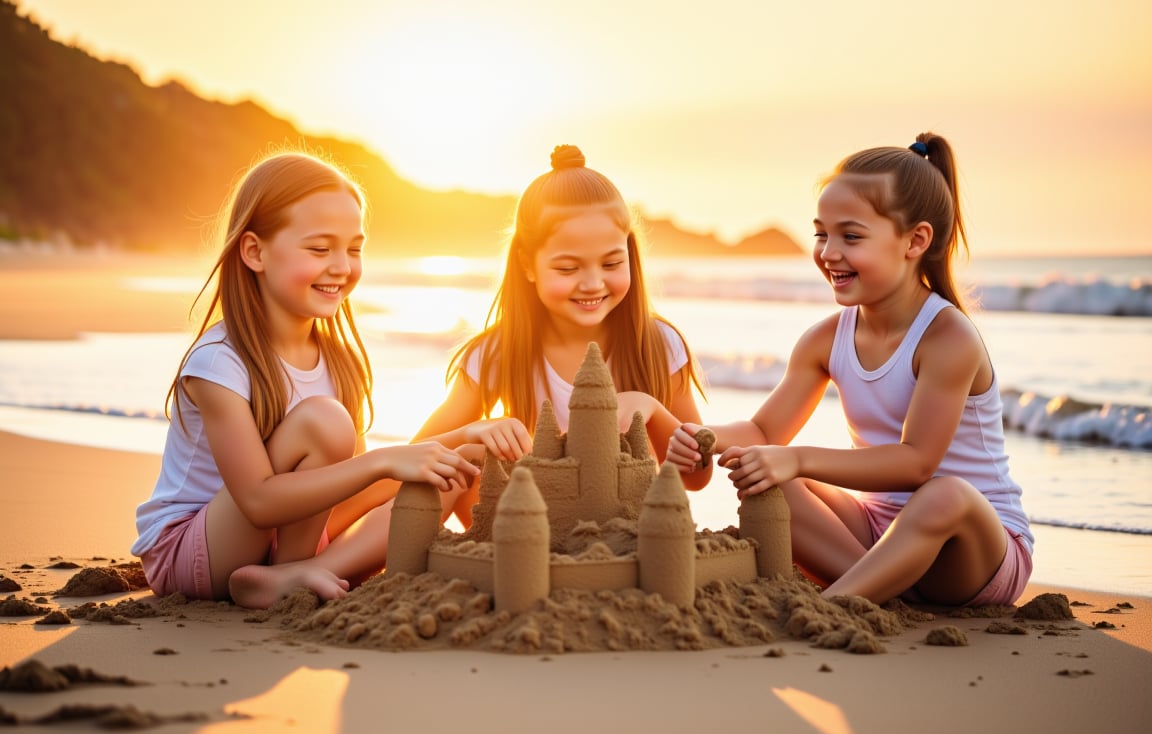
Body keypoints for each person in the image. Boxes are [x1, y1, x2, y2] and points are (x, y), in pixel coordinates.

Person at [667, 133, 1033, 607]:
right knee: (769, 482)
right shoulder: (825, 339)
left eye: (851, 236)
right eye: (821, 233)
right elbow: (762, 429)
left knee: (945, 494)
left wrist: (798, 456)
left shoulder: (947, 338)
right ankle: (878, 590)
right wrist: (703, 435)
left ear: (915, 241)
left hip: (975, 557)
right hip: (876, 537)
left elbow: (917, 462)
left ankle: (838, 604)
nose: (828, 252)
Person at [132, 151, 479, 609]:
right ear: (255, 252)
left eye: (354, 249)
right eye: (320, 249)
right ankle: (294, 574)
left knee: (455, 468)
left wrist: (463, 436)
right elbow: (257, 501)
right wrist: (384, 461)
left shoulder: (339, 363)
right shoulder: (219, 362)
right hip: (195, 550)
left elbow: (339, 494)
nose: (341, 266)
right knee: (325, 422)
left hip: (287, 540)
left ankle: (301, 574)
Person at [407, 144, 712, 526]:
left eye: (612, 263)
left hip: (622, 530)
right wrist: (477, 429)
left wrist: (654, 413)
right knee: (464, 456)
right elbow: (415, 456)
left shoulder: (658, 344)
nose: (592, 283)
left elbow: (695, 478)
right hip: (524, 528)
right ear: (527, 264)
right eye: (568, 268)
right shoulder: (498, 353)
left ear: (630, 253)